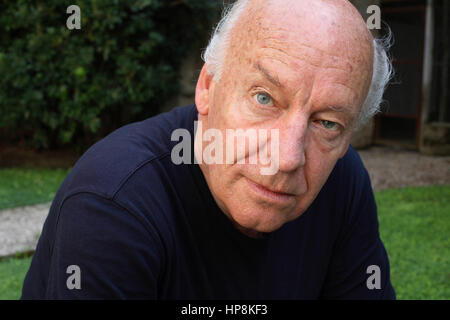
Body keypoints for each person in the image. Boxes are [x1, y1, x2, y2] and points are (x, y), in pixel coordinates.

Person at [21, 0, 396, 299]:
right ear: (208, 86)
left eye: (327, 123)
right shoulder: (114, 199)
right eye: (264, 98)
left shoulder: (343, 181)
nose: (286, 159)